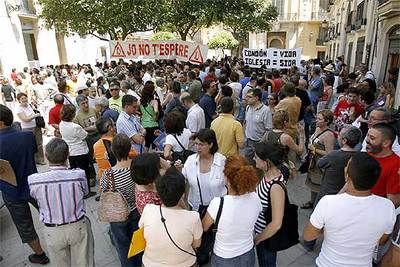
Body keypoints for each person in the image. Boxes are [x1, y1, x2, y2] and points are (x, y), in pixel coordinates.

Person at [303, 152, 396, 267]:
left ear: (347, 176)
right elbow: (381, 240)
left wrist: (330, 229)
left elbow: (308, 236)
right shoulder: (388, 207)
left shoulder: (328, 203)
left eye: (346, 166)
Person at [28, 138, 94, 266]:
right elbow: (85, 193)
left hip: (53, 231)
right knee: (85, 263)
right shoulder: (79, 175)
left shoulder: (33, 180)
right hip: (78, 226)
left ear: (46, 157)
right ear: (68, 155)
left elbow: (35, 197)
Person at [0, 105, 49, 265]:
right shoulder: (27, 136)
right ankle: (60, 236)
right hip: (33, 184)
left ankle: (40, 255)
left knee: (24, 224)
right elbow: (34, 153)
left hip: (11, 191)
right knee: (48, 211)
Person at [202, 155, 261, 266]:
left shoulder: (218, 203)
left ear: (227, 178)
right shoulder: (255, 198)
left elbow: (204, 227)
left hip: (224, 257)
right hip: (248, 252)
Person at [139, 167, 202, 267]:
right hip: (185, 263)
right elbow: (196, 244)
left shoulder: (148, 209)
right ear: (182, 193)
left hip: (150, 263)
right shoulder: (193, 217)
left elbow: (141, 231)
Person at [100, 133, 142, 266]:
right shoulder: (137, 166)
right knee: (138, 243)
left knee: (123, 247)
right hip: (136, 211)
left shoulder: (109, 174)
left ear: (112, 150)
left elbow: (104, 190)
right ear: (129, 148)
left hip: (117, 216)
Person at [253, 142, 289, 267]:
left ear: (267, 161)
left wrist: (258, 239)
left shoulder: (275, 187)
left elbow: (276, 224)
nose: (254, 159)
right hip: (260, 232)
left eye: (257, 157)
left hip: (266, 238)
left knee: (266, 263)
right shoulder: (268, 173)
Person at [316, 126, 361, 203]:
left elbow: (319, 164)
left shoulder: (334, 155)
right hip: (345, 194)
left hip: (328, 192)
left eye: (339, 134)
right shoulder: (358, 156)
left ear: (344, 141)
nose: (337, 135)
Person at [59, 104, 96, 198]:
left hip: (70, 151)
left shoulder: (61, 124)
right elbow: (84, 135)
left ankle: (77, 189)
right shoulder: (75, 127)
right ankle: (86, 191)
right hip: (80, 150)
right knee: (84, 172)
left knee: (74, 171)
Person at [302, 109, 336, 209]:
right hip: (313, 162)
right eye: (317, 118)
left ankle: (318, 207)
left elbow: (329, 153)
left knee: (319, 186)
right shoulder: (317, 129)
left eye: (319, 119)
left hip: (320, 166)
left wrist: (314, 149)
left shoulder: (328, 135)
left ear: (327, 121)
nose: (316, 120)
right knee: (312, 184)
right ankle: (312, 202)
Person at [365, 123, 400, 207]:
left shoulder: (396, 165)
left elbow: (393, 202)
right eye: (367, 136)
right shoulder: (366, 156)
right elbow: (350, 182)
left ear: (386, 143)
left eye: (372, 138)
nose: (367, 140)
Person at [260, 110, 305, 174]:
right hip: (281, 168)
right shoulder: (285, 137)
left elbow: (260, 146)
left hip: (270, 166)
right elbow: (300, 151)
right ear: (285, 123)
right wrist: (301, 135)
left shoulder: (268, 133)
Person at [74, 94, 99, 185]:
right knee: (89, 159)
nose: (85, 105)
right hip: (87, 138)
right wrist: (89, 128)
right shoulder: (77, 117)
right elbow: (78, 130)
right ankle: (92, 177)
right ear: (78, 105)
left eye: (86, 102)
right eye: (83, 103)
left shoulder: (93, 110)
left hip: (97, 135)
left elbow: (99, 120)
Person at [243, 88, 273, 164]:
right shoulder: (248, 108)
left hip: (259, 142)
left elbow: (269, 130)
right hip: (248, 142)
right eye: (247, 97)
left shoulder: (266, 111)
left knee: (259, 166)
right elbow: (245, 122)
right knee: (248, 164)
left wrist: (261, 143)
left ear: (256, 98)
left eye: (249, 97)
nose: (246, 99)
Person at [15, 92, 45, 165]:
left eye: (25, 98)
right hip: (27, 129)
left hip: (36, 127)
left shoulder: (30, 105)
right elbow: (25, 119)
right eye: (22, 98)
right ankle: (32, 161)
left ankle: (40, 159)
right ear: (19, 100)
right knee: (30, 145)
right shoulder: (19, 109)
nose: (24, 99)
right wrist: (35, 115)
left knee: (39, 144)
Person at [140, 82, 159, 151]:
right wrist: (156, 117)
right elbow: (156, 111)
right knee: (155, 143)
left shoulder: (140, 102)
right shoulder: (154, 102)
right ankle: (155, 159)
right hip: (153, 124)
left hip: (144, 125)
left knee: (147, 143)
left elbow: (137, 111)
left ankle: (145, 158)